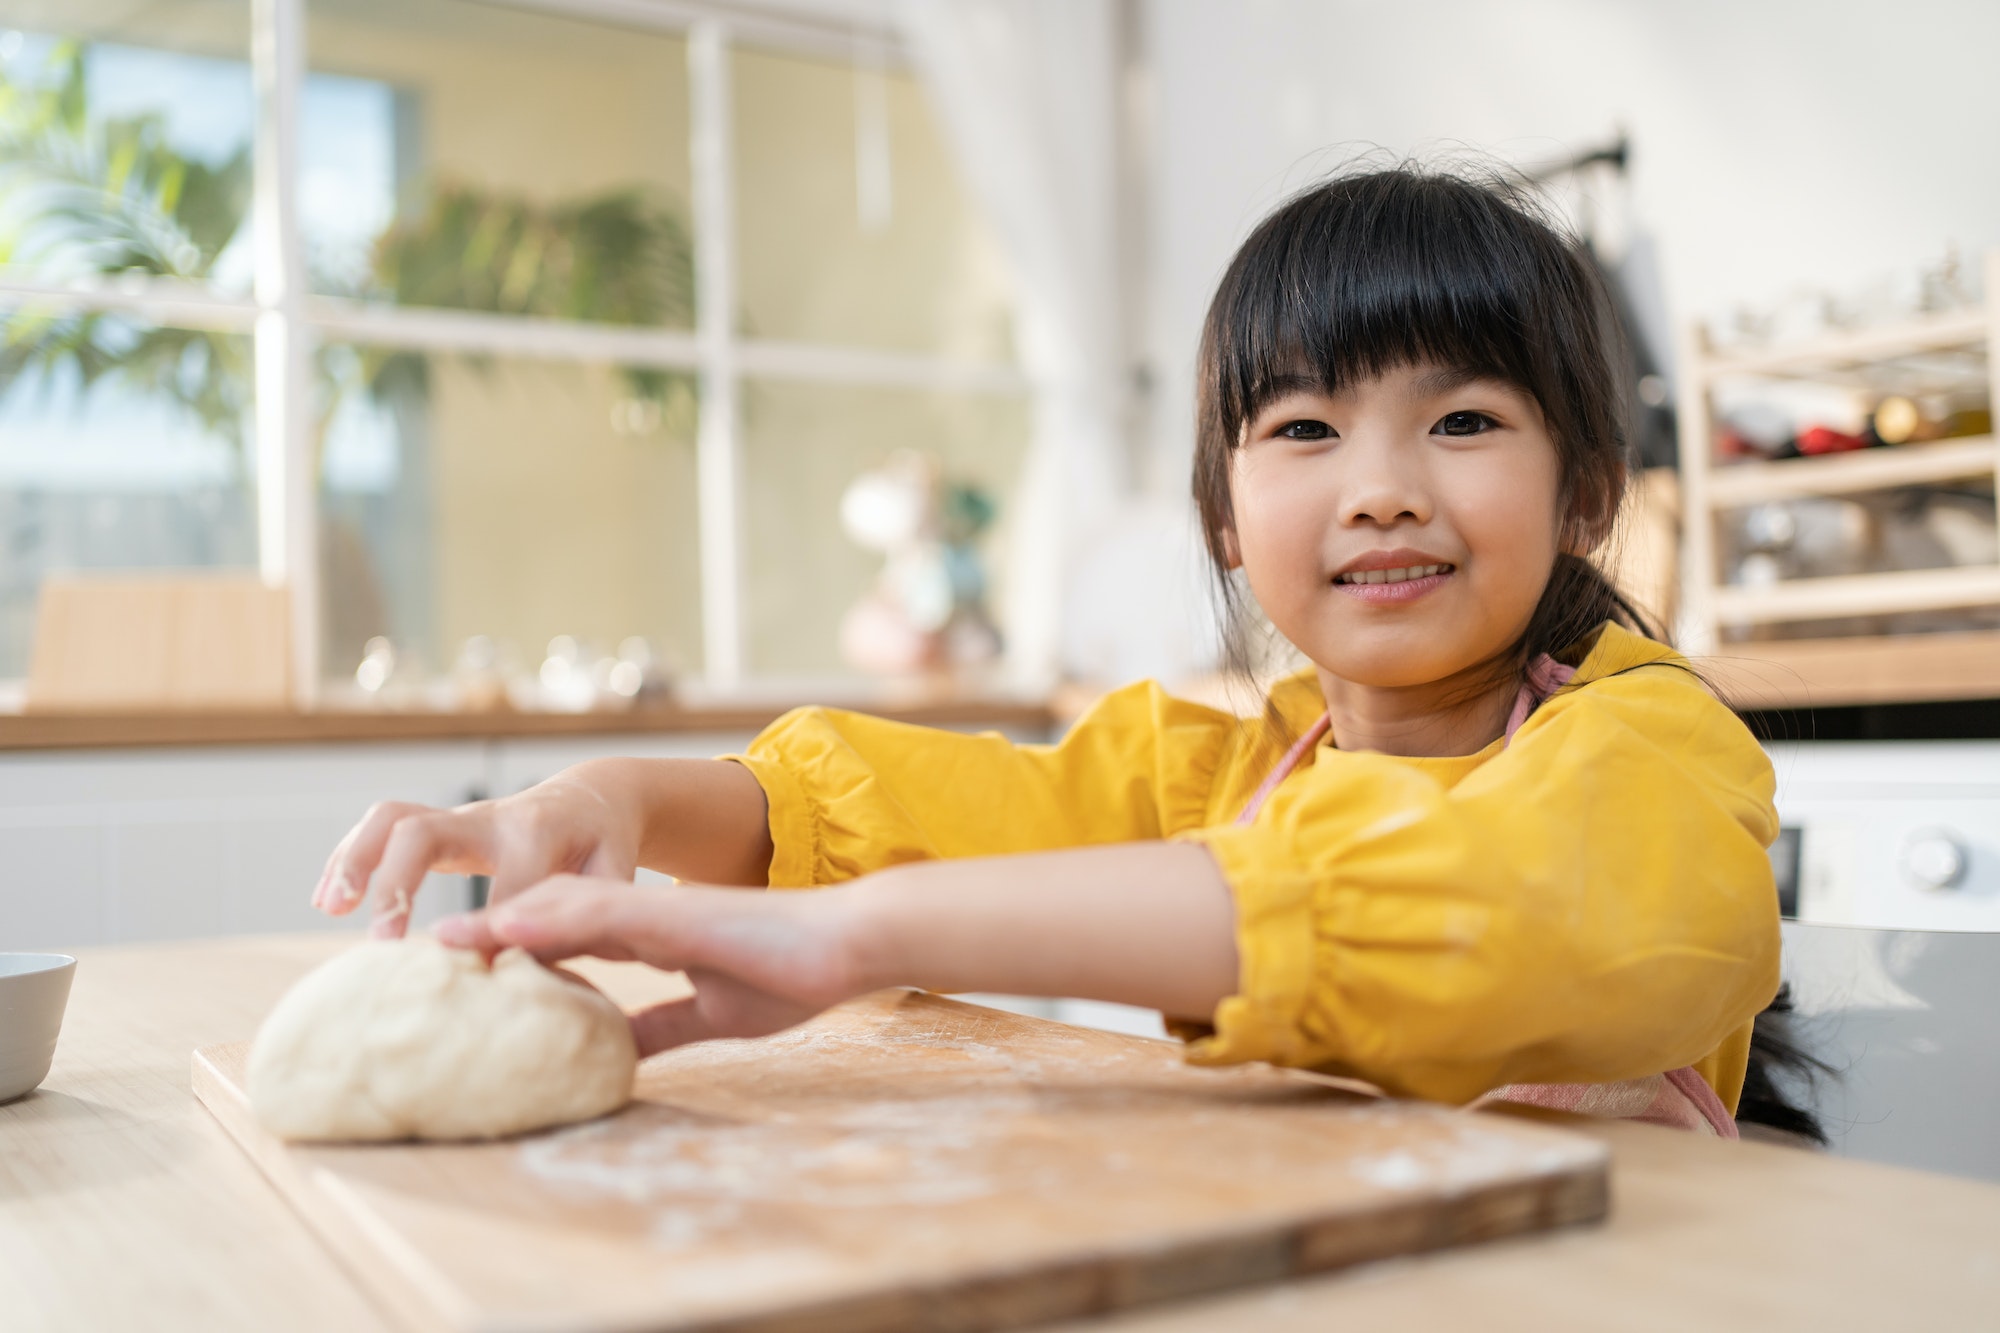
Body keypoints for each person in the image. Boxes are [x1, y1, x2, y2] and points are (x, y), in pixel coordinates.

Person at [313, 165, 1781, 1135]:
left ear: (1587, 490)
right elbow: (914, 814)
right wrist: (616, 798)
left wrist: (853, 946)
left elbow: (1510, 902)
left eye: (1462, 421)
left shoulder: (1653, 748)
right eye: (1305, 429)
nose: (1380, 484)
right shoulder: (1217, 768)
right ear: (1219, 517)